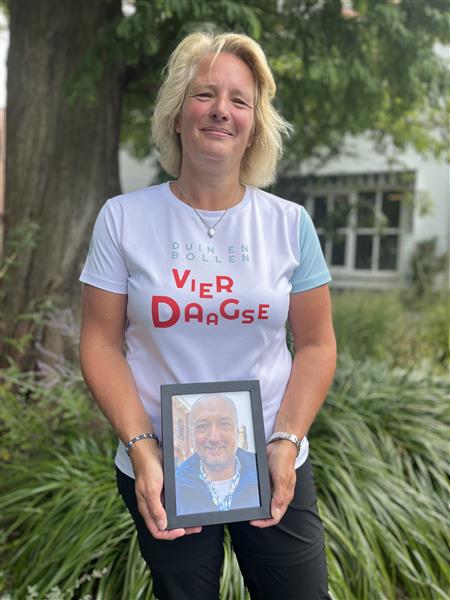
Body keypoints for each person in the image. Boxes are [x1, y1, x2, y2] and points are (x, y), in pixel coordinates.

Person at [79, 31, 336, 600]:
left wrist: (287, 441)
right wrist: (143, 448)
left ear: (255, 123)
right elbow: (99, 343)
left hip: (271, 457)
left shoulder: (289, 225)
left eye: (239, 100)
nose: (221, 110)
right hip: (163, 465)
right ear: (176, 113)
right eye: (205, 94)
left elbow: (316, 345)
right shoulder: (123, 219)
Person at [175, 394, 260, 515]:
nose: (214, 437)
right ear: (191, 435)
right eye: (202, 426)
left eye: (224, 424)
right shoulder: (175, 486)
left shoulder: (263, 474)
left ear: (237, 431)